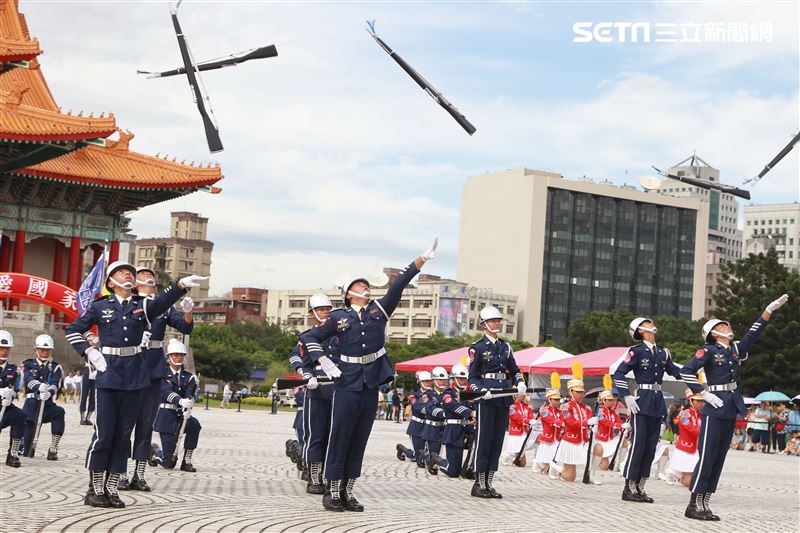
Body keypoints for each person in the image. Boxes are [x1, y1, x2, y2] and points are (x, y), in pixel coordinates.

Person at [299, 238, 437, 512]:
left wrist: (420, 260)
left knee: (360, 437)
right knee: (341, 436)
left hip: (370, 382)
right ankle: (333, 491)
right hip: (347, 382)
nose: (367, 287)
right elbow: (309, 336)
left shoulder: (379, 310)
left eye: (367, 285)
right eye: (361, 286)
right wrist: (322, 358)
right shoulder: (339, 317)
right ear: (349, 294)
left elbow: (398, 285)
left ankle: (349, 492)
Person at [64, 259, 204, 508]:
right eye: (122, 273)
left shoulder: (143, 305)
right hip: (109, 373)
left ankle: (111, 487)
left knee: (123, 436)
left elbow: (162, 303)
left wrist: (180, 285)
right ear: (111, 282)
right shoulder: (100, 306)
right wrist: (89, 353)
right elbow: (73, 329)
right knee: (104, 434)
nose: (128, 276)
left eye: (130, 272)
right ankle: (95, 488)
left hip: (135, 375)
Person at [680, 293, 788, 521]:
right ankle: (693, 504)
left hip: (730, 405)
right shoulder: (707, 350)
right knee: (708, 456)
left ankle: (705, 502)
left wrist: (768, 311)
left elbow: (753, 334)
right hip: (714, 404)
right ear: (713, 333)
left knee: (719, 458)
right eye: (722, 325)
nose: (728, 326)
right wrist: (704, 394)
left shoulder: (735, 350)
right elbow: (686, 371)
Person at [120, 266, 194, 492]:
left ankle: (139, 474)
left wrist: (188, 312)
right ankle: (120, 473)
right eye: (143, 276)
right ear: (134, 284)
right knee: (125, 424)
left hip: (153, 366)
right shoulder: (128, 303)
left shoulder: (164, 307)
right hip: (131, 364)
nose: (149, 278)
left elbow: (185, 327)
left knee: (145, 423)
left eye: (151, 276)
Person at [613, 317, 683, 503]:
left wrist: (693, 374)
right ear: (641, 330)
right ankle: (628, 487)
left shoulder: (663, 353)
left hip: (657, 401)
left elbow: (675, 371)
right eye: (648, 323)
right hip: (641, 400)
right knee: (638, 445)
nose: (653, 325)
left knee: (651, 447)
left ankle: (640, 486)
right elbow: (619, 373)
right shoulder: (635, 352)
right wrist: (626, 395)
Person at [467, 305, 527, 498]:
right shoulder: (477, 348)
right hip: (487, 398)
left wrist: (519, 382)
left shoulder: (505, 347)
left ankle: (489, 483)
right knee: (484, 441)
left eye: (498, 320)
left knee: (497, 442)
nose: (497, 324)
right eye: (493, 321)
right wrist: (480, 390)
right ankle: (478, 483)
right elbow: (472, 377)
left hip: (503, 398)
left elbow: (515, 369)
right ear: (484, 324)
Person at [290, 293, 338, 495]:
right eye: (320, 309)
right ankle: (315, 477)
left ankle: (330, 476)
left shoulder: (340, 335)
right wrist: (306, 374)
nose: (325, 312)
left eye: (327, 308)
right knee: (315, 436)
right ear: (312, 313)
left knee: (333, 436)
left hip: (338, 391)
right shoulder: (307, 336)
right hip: (316, 391)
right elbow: (297, 358)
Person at [151, 340, 201, 472]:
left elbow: (189, 395)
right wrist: (180, 401)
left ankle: (187, 460)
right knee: (169, 463)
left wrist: (188, 407)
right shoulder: (161, 374)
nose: (179, 357)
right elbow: (166, 392)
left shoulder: (189, 377)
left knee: (195, 425)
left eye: (181, 355)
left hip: (181, 415)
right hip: (166, 416)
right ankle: (155, 453)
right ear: (169, 357)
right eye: (175, 355)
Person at [21, 334, 65, 461]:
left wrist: (49, 393)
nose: (45, 352)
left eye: (47, 350)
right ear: (36, 350)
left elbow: (56, 383)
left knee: (59, 413)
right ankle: (22, 445)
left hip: (47, 405)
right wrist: (38, 387)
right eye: (42, 349)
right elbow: (27, 379)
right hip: (31, 406)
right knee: (27, 452)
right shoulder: (27, 364)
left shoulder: (55, 367)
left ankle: (53, 448)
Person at [550, 363, 596, 483]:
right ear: (571, 392)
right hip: (571, 441)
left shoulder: (586, 408)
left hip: (583, 440)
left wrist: (594, 425)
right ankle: (555, 467)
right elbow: (570, 423)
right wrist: (587, 422)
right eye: (577, 392)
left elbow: (590, 423)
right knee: (571, 478)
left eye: (582, 392)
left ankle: (592, 475)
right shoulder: (565, 407)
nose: (580, 394)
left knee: (596, 450)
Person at [427, 364, 475, 478]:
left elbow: (475, 406)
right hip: (454, 431)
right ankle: (436, 459)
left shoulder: (469, 393)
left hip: (468, 430)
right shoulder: (448, 393)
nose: (464, 381)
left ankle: (468, 470)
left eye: (465, 379)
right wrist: (471, 413)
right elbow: (454, 406)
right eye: (461, 378)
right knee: (453, 472)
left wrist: (475, 417)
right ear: (453, 379)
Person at [666, 390, 703, 487]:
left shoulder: (699, 413)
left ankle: (674, 473)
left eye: (702, 401)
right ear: (691, 401)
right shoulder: (685, 413)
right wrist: (704, 433)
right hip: (686, 447)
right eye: (698, 401)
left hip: (695, 447)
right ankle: (674, 474)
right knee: (691, 481)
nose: (701, 403)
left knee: (695, 477)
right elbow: (689, 428)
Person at [0, 330, 26, 467]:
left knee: (20, 415)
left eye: (6, 348)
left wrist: (10, 395)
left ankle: (13, 453)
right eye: (1, 348)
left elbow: (16, 389)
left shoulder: (15, 371)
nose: (4, 351)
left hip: (6, 408)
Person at [396, 371, 431, 464]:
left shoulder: (433, 394)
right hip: (417, 426)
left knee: (428, 453)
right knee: (417, 456)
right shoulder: (414, 395)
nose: (428, 383)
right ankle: (402, 449)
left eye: (429, 381)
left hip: (429, 427)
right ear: (420, 382)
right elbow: (418, 407)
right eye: (426, 381)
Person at [421, 366, 448, 474]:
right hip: (431, 427)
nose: (442, 382)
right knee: (433, 458)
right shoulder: (427, 395)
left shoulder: (449, 394)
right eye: (440, 380)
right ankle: (423, 455)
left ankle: (424, 455)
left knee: (437, 455)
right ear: (434, 380)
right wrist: (447, 414)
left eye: (444, 380)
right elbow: (431, 409)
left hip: (443, 427)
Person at [535, 377, 564, 476]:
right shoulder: (544, 410)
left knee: (554, 459)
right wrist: (561, 424)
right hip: (548, 438)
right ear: (549, 399)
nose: (558, 402)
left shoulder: (560, 412)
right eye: (555, 400)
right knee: (547, 463)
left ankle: (550, 469)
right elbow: (550, 420)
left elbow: (564, 421)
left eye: (558, 400)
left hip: (557, 438)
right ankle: (540, 465)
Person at [593, 387, 623, 473]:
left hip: (610, 438)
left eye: (612, 400)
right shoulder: (600, 411)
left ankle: (618, 465)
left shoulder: (612, 412)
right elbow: (605, 422)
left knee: (624, 442)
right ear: (604, 401)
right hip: (602, 439)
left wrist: (623, 426)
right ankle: (594, 466)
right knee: (604, 467)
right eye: (609, 400)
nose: (612, 402)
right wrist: (617, 425)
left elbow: (618, 421)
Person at [502, 394, 536, 466]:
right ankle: (508, 455)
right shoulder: (512, 406)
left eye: (524, 395)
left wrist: (532, 420)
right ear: (516, 396)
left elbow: (530, 415)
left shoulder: (527, 406)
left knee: (531, 443)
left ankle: (511, 455)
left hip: (525, 432)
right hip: (516, 433)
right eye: (521, 395)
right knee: (522, 463)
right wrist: (528, 421)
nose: (523, 397)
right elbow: (516, 417)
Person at [78, 332, 98, 426]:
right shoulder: (85, 347)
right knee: (84, 395)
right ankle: (82, 417)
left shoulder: (98, 348)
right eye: (89, 337)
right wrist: (88, 342)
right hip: (87, 370)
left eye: (92, 336)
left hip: (96, 371)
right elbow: (84, 350)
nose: (91, 338)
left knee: (93, 396)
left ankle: (88, 417)